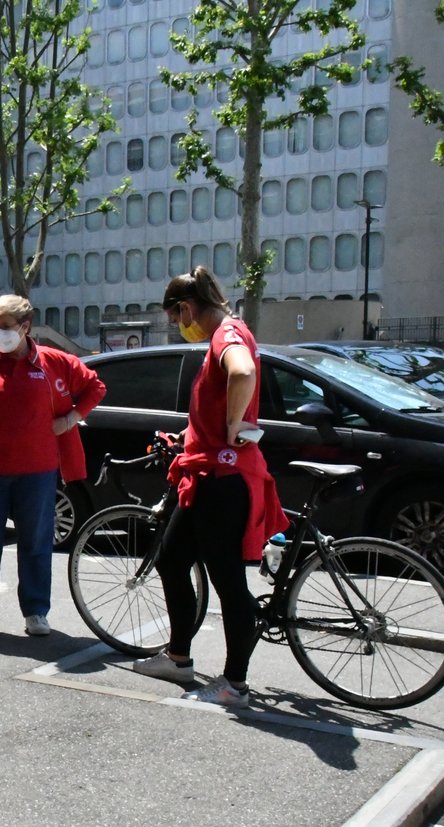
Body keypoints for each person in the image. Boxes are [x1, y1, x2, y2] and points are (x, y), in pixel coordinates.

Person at [129, 267, 285, 708]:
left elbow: (241, 375)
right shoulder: (229, 333)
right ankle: (178, 657)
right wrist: (193, 435)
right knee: (172, 559)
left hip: (223, 481)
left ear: (186, 308)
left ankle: (234, 684)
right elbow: (218, 400)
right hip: (207, 475)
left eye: (175, 319)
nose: (179, 327)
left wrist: (234, 425)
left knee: (229, 583)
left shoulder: (226, 336)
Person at [0, 294, 105, 639]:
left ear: (26, 327)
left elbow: (94, 387)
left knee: (36, 543)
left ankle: (36, 612)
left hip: (39, 471)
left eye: (6, 327)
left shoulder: (55, 362)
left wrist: (72, 418)